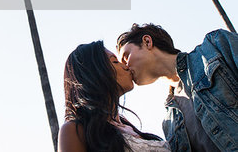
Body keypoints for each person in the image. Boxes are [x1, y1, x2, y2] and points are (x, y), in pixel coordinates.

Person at [117, 24, 238, 152]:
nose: (125, 67)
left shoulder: (213, 47)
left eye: (126, 57)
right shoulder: (169, 124)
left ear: (147, 42)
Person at [58, 40, 171, 151]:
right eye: (115, 62)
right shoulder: (74, 130)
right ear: (96, 73)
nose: (126, 66)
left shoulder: (129, 127)